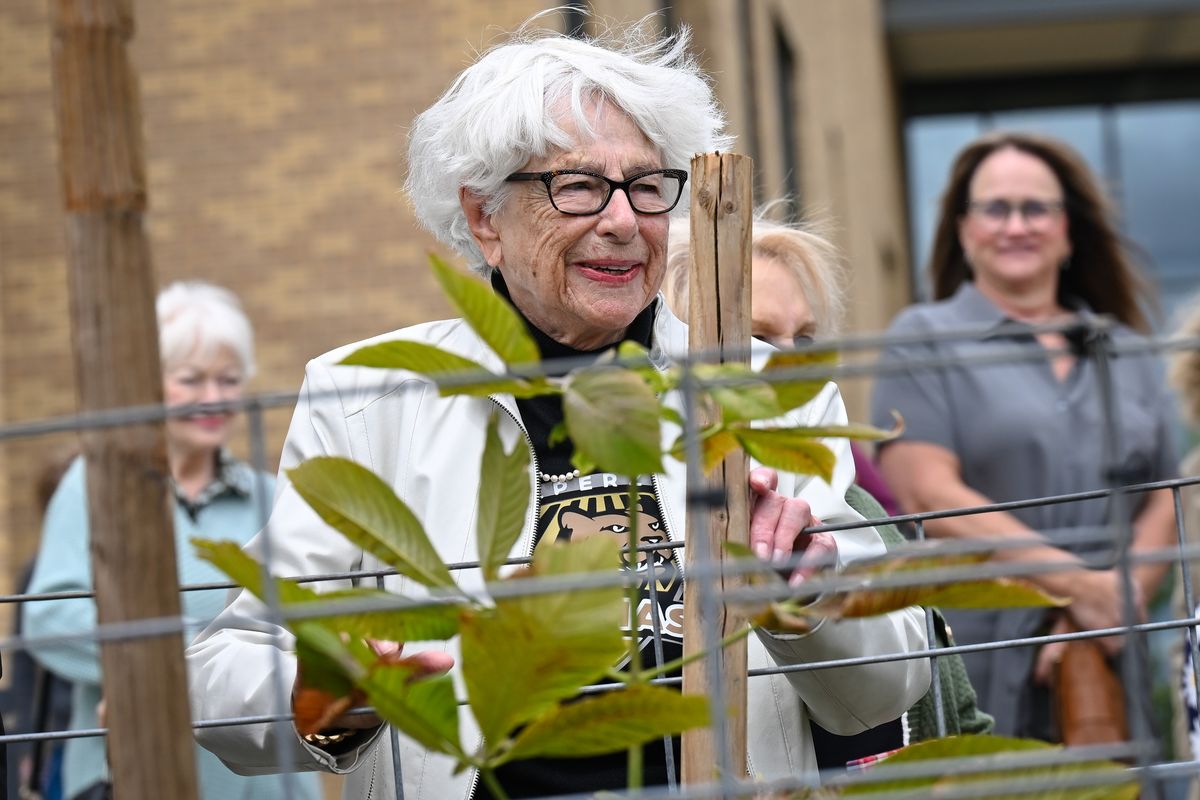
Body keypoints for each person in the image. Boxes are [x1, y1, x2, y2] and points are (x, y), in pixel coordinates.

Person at [185, 17, 929, 799]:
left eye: (645, 187)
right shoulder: (370, 402)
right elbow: (224, 676)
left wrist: (807, 592)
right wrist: (339, 687)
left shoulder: (769, 388)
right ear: (483, 219)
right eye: (576, 186)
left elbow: (885, 691)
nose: (621, 220)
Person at [870, 131, 1177, 741]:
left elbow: (1166, 495)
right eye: (995, 209)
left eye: (1036, 208)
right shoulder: (922, 337)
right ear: (963, 228)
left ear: (1068, 230)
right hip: (977, 657)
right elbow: (929, 493)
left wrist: (1106, 609)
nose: (1017, 225)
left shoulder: (1129, 350)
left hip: (1114, 663)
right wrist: (1079, 588)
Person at [663, 210, 992, 765]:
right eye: (758, 341)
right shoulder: (644, 509)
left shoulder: (869, 513)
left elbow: (955, 721)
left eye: (805, 341)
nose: (790, 367)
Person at [21, 282, 321, 800]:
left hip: (267, 781)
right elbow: (49, 615)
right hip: (135, 770)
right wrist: (193, 655)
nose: (214, 398)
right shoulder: (96, 485)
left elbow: (308, 624)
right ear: (148, 384)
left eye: (229, 380)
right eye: (191, 380)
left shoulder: (271, 497)